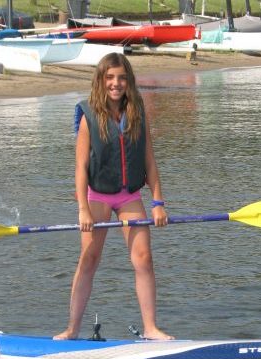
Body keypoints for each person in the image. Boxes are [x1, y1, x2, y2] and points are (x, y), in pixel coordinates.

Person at [54, 53, 173, 341]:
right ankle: (72, 329)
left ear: (128, 81)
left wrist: (158, 202)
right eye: (109, 78)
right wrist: (82, 209)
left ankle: (151, 329)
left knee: (144, 259)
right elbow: (81, 168)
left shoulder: (138, 112)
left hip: (129, 196)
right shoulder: (88, 116)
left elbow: (149, 161)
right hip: (97, 197)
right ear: (101, 81)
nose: (115, 83)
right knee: (89, 258)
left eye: (121, 78)